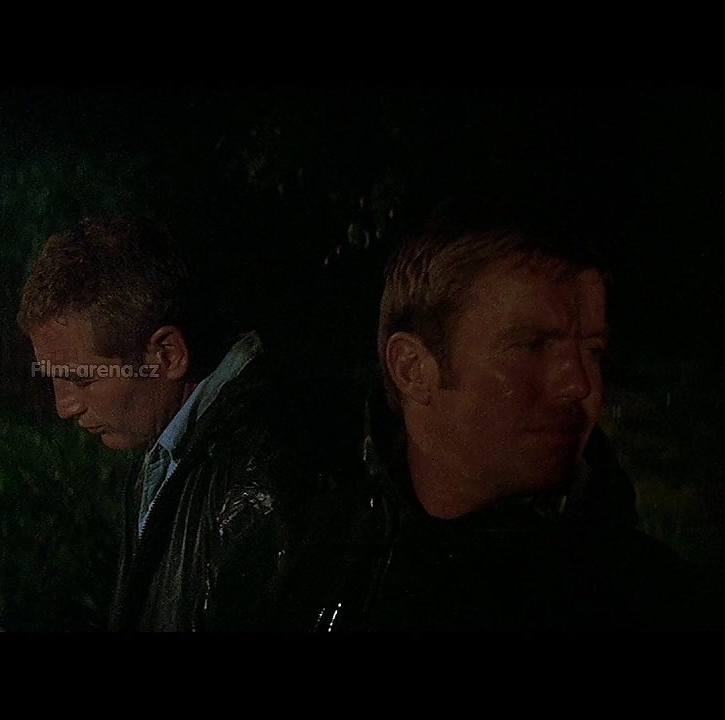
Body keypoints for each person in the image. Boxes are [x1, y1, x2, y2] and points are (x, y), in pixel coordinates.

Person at [289, 195, 717, 630]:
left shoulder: (656, 602)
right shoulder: (303, 566)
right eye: (533, 345)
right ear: (413, 369)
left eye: (592, 350)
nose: (579, 384)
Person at [17, 215, 335, 631]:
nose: (64, 407)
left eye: (82, 379)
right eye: (54, 378)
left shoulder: (267, 472)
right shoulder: (171, 451)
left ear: (166, 355)